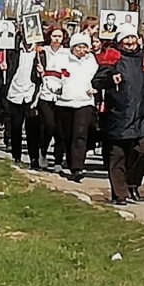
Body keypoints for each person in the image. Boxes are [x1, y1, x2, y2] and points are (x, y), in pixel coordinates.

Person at [95, 28, 144, 205]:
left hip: (140, 114)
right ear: (120, 41)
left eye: (133, 38)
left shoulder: (143, 58)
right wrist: (111, 78)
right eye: (126, 38)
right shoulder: (112, 56)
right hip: (118, 114)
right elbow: (97, 80)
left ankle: (133, 183)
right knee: (118, 155)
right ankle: (119, 194)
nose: (130, 41)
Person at [54, 32, 99, 182]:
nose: (82, 50)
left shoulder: (91, 61)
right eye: (79, 47)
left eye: (85, 47)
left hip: (84, 101)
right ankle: (69, 159)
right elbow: (52, 76)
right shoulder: (62, 59)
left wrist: (95, 88)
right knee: (67, 135)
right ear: (73, 47)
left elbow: (96, 78)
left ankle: (77, 167)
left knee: (80, 134)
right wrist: (56, 88)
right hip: (65, 101)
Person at [5, 40, 43, 169]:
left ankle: (34, 159)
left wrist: (41, 72)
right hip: (15, 93)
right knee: (16, 127)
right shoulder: (13, 51)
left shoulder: (39, 53)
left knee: (32, 129)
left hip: (31, 94)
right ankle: (16, 156)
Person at [36, 25, 70, 170]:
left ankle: (58, 159)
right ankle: (42, 151)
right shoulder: (43, 51)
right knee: (49, 125)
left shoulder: (67, 53)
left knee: (60, 129)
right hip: (45, 91)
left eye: (59, 36)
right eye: (54, 36)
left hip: (61, 91)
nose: (56, 39)